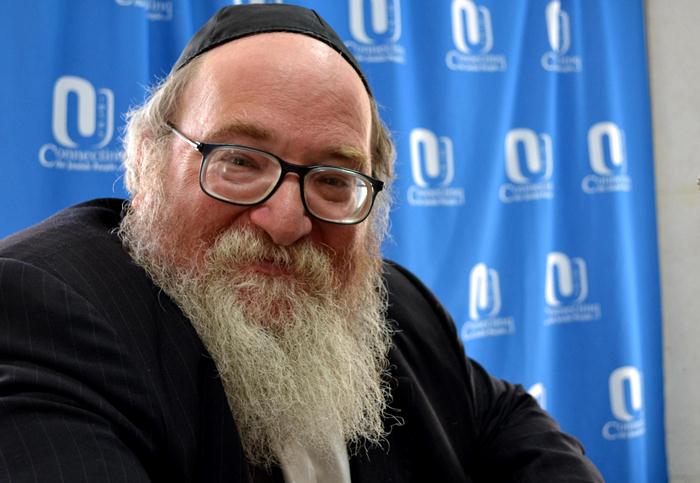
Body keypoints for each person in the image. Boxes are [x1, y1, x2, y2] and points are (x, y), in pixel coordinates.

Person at [0, 4, 602, 482]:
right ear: (148, 162)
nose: (286, 222)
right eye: (239, 161)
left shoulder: (396, 305)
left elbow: (503, 419)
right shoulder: (41, 309)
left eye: (334, 180)